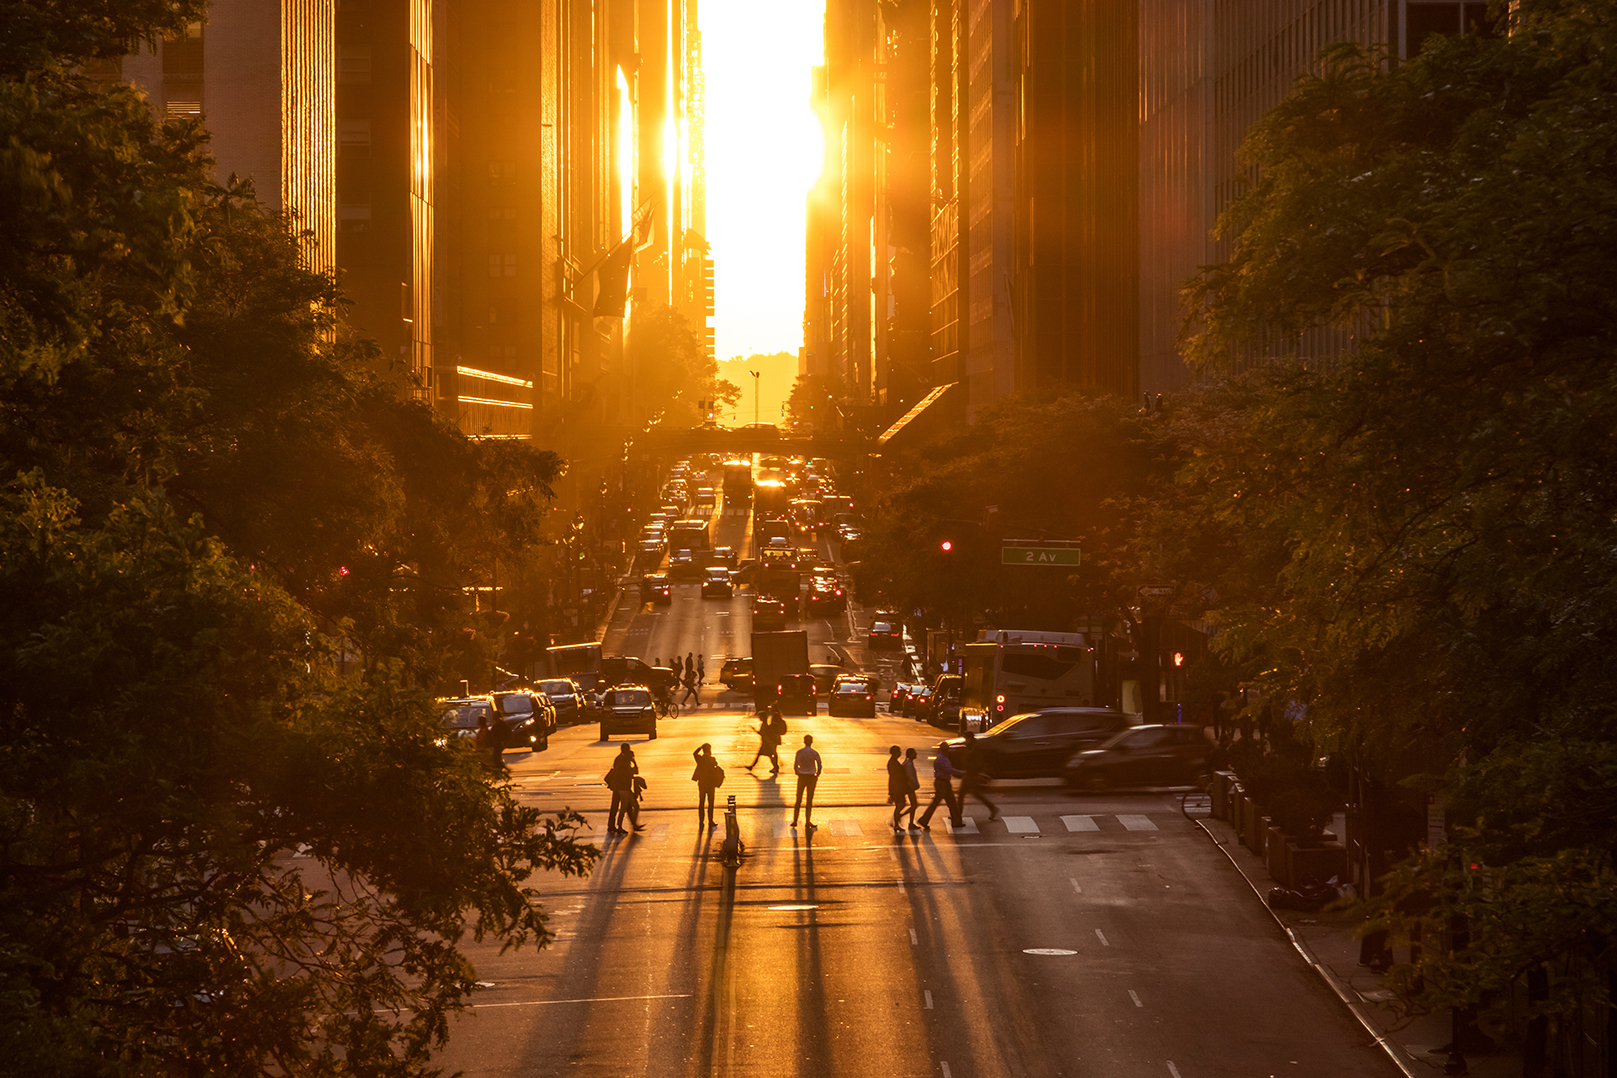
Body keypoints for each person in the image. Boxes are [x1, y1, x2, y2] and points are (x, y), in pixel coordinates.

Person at [917, 741, 963, 829]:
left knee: (951, 803)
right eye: (946, 748)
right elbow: (948, 770)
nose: (947, 750)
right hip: (942, 783)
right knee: (940, 803)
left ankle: (956, 822)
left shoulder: (943, 757)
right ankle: (924, 820)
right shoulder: (942, 759)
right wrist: (961, 773)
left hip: (944, 782)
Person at [958, 731, 1000, 821]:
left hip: (971, 774)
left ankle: (957, 814)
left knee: (964, 794)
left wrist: (973, 771)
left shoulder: (974, 748)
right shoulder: (970, 747)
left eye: (966, 738)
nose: (965, 741)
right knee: (974, 793)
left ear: (969, 738)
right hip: (969, 773)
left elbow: (976, 761)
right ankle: (992, 808)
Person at [791, 734, 822, 830]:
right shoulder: (814, 753)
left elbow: (796, 764)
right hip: (811, 777)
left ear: (804, 741)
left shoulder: (799, 752)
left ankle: (795, 820)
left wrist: (798, 772)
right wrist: (817, 775)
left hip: (802, 776)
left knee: (798, 798)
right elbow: (819, 765)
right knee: (809, 799)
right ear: (811, 742)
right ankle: (807, 821)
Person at [605, 745, 640, 834]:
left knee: (625, 807)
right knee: (619, 807)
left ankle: (631, 825)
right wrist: (633, 763)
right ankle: (614, 825)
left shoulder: (623, 759)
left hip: (622, 787)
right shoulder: (622, 760)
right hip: (620, 787)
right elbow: (630, 772)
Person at [692, 743, 724, 828]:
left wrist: (700, 747)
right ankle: (710, 821)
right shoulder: (712, 759)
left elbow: (694, 753)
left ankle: (701, 822)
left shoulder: (700, 759)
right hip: (710, 784)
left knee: (701, 803)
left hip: (702, 783)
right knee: (711, 803)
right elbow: (715, 766)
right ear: (710, 750)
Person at [747, 705, 784, 772]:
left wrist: (755, 730)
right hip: (770, 739)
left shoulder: (775, 717)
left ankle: (776, 767)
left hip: (770, 740)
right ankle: (776, 766)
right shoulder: (774, 717)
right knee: (769, 754)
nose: (769, 709)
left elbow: (767, 731)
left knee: (771, 753)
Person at [887, 746, 912, 833]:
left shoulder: (894, 762)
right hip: (896, 787)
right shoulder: (893, 763)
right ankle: (896, 822)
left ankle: (896, 821)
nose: (900, 753)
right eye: (899, 751)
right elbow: (896, 776)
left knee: (900, 805)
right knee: (900, 805)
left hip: (897, 787)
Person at [902, 747, 922, 830]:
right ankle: (901, 816)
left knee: (914, 805)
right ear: (910, 754)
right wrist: (916, 785)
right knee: (914, 805)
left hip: (909, 787)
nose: (916, 754)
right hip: (910, 788)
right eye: (914, 753)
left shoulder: (906, 763)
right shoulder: (909, 764)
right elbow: (910, 777)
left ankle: (911, 823)